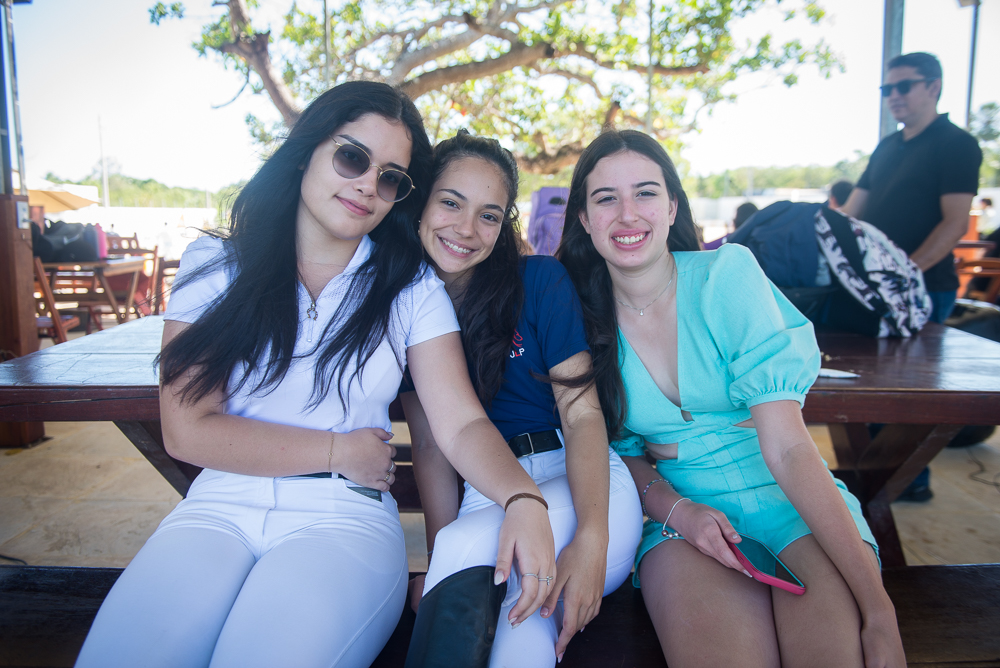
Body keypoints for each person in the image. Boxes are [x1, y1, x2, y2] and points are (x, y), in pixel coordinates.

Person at [75, 82, 555, 668]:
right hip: (216, 506)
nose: (365, 185)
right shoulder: (216, 265)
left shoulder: (410, 287)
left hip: (342, 520)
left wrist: (522, 498)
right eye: (352, 157)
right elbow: (187, 431)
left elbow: (458, 424)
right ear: (307, 150)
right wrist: (334, 449)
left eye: (390, 178)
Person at [559, 129, 906, 667]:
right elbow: (622, 453)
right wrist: (682, 511)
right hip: (679, 515)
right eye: (606, 198)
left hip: (789, 498)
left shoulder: (727, 277)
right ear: (584, 218)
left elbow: (789, 451)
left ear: (673, 207)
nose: (628, 214)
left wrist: (879, 612)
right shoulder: (580, 316)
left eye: (646, 193)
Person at [401, 131, 643, 667]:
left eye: (490, 215)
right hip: (486, 494)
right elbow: (433, 444)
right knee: (516, 629)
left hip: (583, 489)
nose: (466, 229)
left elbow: (581, 417)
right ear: (420, 204)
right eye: (450, 203)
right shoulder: (405, 308)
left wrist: (593, 538)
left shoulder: (537, 280)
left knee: (468, 552)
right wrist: (445, 558)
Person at [841, 52, 982, 502]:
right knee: (866, 389)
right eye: (887, 89)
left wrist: (903, 274)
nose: (894, 97)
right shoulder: (886, 147)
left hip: (922, 289)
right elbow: (850, 213)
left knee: (908, 395)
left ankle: (905, 483)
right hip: (872, 292)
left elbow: (955, 223)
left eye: (904, 86)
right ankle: (873, 479)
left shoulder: (955, 144)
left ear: (933, 86)